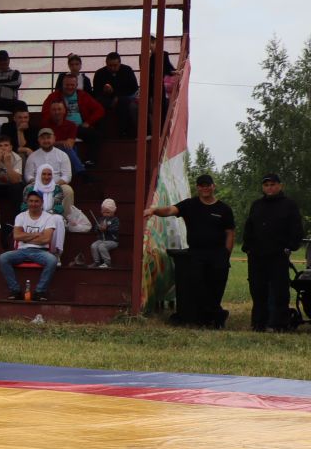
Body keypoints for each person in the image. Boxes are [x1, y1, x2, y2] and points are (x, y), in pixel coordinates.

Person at [148, 174, 237, 327]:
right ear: (198, 188)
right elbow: (170, 210)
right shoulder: (190, 204)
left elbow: (230, 233)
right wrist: (154, 211)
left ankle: (215, 318)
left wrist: (225, 254)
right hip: (196, 254)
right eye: (202, 185)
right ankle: (204, 319)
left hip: (217, 255)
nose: (205, 188)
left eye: (208, 185)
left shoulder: (224, 209)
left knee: (216, 288)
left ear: (213, 186)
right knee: (198, 286)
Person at [243, 173, 305, 333]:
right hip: (257, 255)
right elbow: (249, 227)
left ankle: (278, 324)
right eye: (266, 185)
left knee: (279, 290)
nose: (269, 188)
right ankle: (258, 323)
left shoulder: (289, 205)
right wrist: (247, 247)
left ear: (280, 186)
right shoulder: (256, 205)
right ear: (263, 187)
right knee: (257, 289)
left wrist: (290, 247)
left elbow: (296, 229)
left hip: (278, 255)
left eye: (272, 185)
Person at [0, 189, 64, 301]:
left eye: (36, 201)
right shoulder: (20, 216)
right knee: (3, 258)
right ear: (27, 202)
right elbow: (17, 236)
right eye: (31, 201)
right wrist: (36, 235)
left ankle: (40, 292)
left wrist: (26, 238)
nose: (33, 204)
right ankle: (15, 290)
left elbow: (46, 239)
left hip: (40, 251)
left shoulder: (49, 218)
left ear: (41, 202)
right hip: (21, 251)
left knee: (52, 260)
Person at [93, 50, 140, 139]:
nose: (112, 68)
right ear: (106, 64)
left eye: (115, 65)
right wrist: (106, 92)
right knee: (99, 104)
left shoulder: (127, 70)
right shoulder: (100, 73)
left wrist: (117, 96)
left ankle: (125, 132)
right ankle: (101, 133)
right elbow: (96, 91)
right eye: (110, 65)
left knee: (125, 104)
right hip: (105, 98)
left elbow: (133, 88)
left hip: (124, 98)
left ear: (119, 63)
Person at [88, 198, 121, 269]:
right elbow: (96, 229)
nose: (105, 214)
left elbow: (115, 230)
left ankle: (107, 262)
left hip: (112, 240)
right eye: (104, 212)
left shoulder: (115, 220)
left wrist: (106, 229)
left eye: (108, 212)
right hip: (101, 239)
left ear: (113, 211)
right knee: (93, 246)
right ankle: (96, 262)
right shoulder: (101, 219)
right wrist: (99, 229)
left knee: (102, 246)